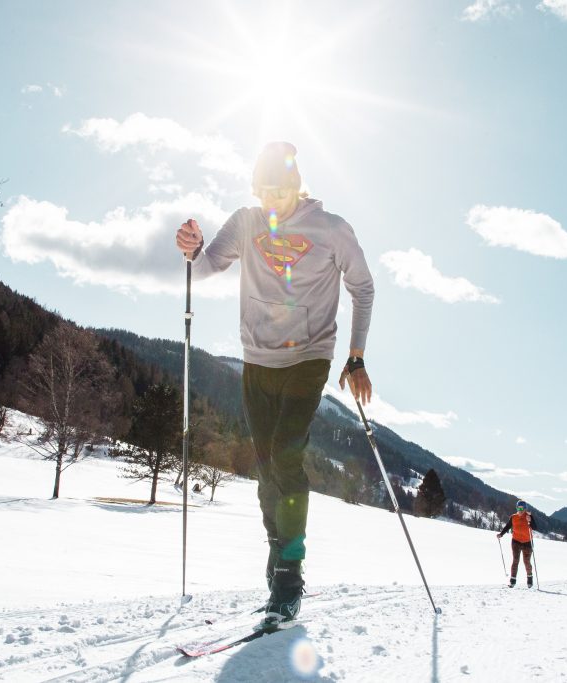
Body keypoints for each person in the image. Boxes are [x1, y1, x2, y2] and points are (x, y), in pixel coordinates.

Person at [174, 141, 375, 627]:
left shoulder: (331, 229)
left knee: (286, 454)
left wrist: (356, 355)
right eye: (263, 190)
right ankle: (276, 549)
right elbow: (204, 268)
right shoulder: (245, 222)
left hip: (308, 356)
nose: (272, 200)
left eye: (280, 190)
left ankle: (290, 574)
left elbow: (363, 287)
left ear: (297, 185)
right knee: (265, 468)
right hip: (256, 359)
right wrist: (191, 248)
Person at [497, 500, 537, 587]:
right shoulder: (513, 517)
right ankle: (512, 581)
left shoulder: (528, 516)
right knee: (515, 560)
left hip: (527, 542)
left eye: (522, 508)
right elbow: (508, 526)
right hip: (516, 542)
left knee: (526, 562)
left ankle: (530, 579)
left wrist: (530, 520)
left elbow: (534, 527)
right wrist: (501, 534)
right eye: (518, 508)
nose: (520, 510)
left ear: (525, 509)